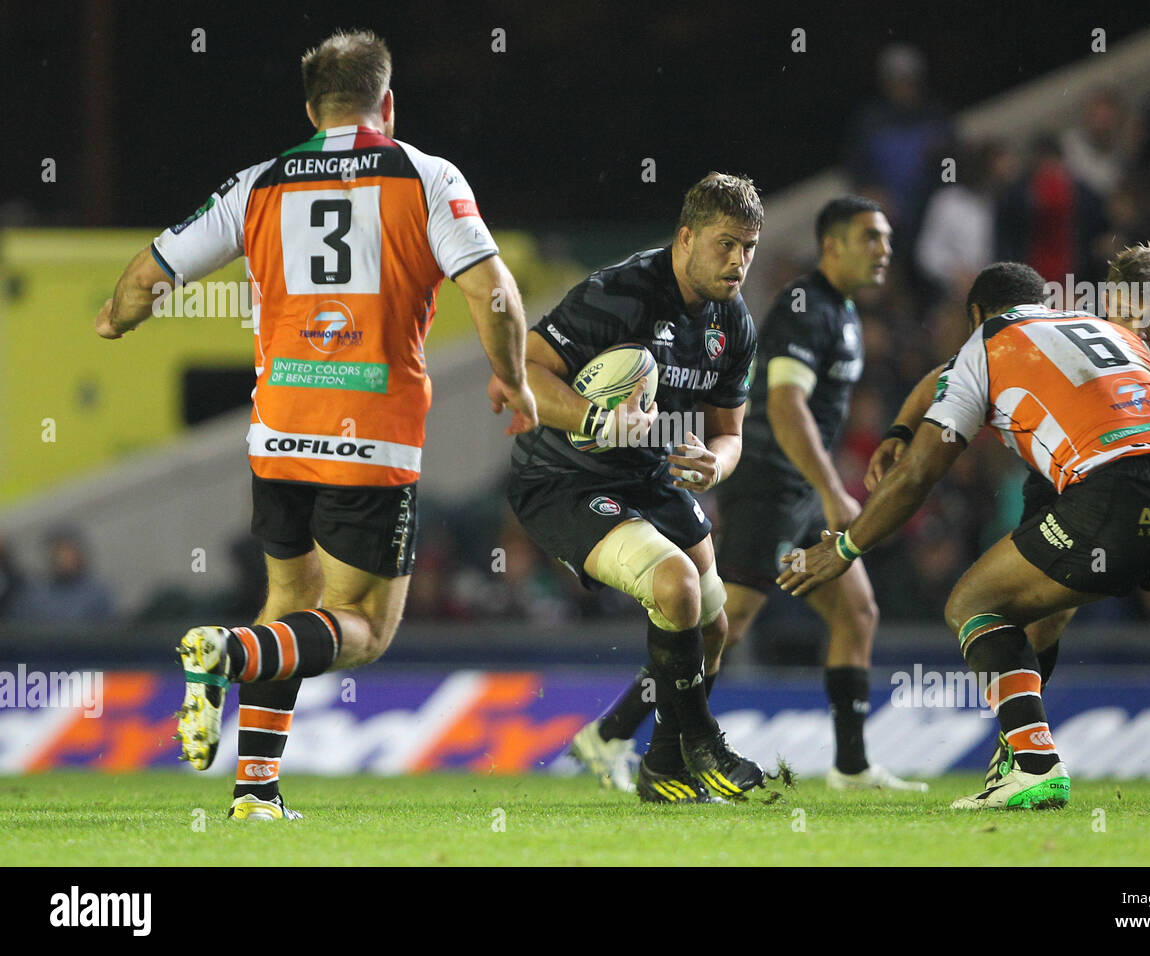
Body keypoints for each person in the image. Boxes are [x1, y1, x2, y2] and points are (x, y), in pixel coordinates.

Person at [95, 29, 536, 820]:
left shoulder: (260, 182)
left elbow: (149, 274)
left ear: (311, 109)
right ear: (387, 104)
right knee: (363, 626)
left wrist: (116, 320)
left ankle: (255, 793)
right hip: (369, 433)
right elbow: (494, 292)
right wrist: (509, 375)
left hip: (278, 432)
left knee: (290, 602)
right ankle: (227, 653)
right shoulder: (426, 176)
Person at [779, 262, 1150, 810]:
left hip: (1114, 489)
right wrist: (902, 427)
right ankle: (1021, 751)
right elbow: (944, 376)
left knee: (977, 602)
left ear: (977, 317)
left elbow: (917, 475)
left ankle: (1032, 763)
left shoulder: (989, 343)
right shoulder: (1108, 330)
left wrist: (845, 546)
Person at [572, 197, 924, 792]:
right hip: (769, 483)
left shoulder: (841, 312)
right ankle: (612, 733)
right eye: (870, 237)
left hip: (800, 491)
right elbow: (784, 405)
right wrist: (831, 487)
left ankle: (852, 765)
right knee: (722, 624)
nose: (883, 250)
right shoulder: (805, 307)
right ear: (832, 245)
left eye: (887, 238)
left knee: (857, 611)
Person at [509, 172, 765, 803]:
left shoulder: (734, 325)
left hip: (648, 477)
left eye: (749, 247)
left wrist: (716, 464)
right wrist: (596, 420)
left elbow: (730, 433)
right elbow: (526, 369)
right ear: (685, 239)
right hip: (562, 478)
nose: (738, 261)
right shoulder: (615, 294)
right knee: (675, 586)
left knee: (712, 626)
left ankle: (659, 764)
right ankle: (702, 744)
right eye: (725, 244)